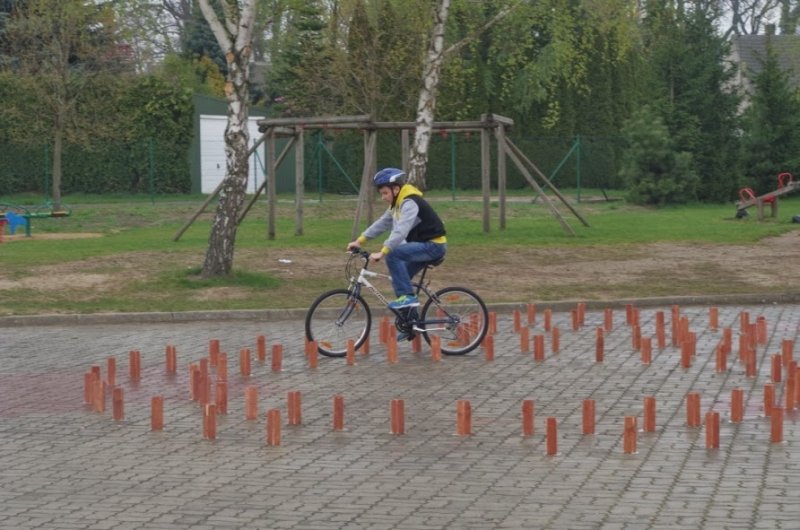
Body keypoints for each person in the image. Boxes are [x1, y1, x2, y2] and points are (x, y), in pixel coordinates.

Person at [347, 167, 447, 310]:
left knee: (393, 254)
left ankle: (407, 297)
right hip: (424, 245)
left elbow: (400, 231)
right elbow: (382, 223)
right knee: (400, 279)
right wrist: (360, 241)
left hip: (434, 246)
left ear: (396, 189)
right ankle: (410, 322)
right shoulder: (397, 204)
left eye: (385, 193)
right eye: (381, 194)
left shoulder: (410, 202)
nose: (383, 197)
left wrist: (383, 252)